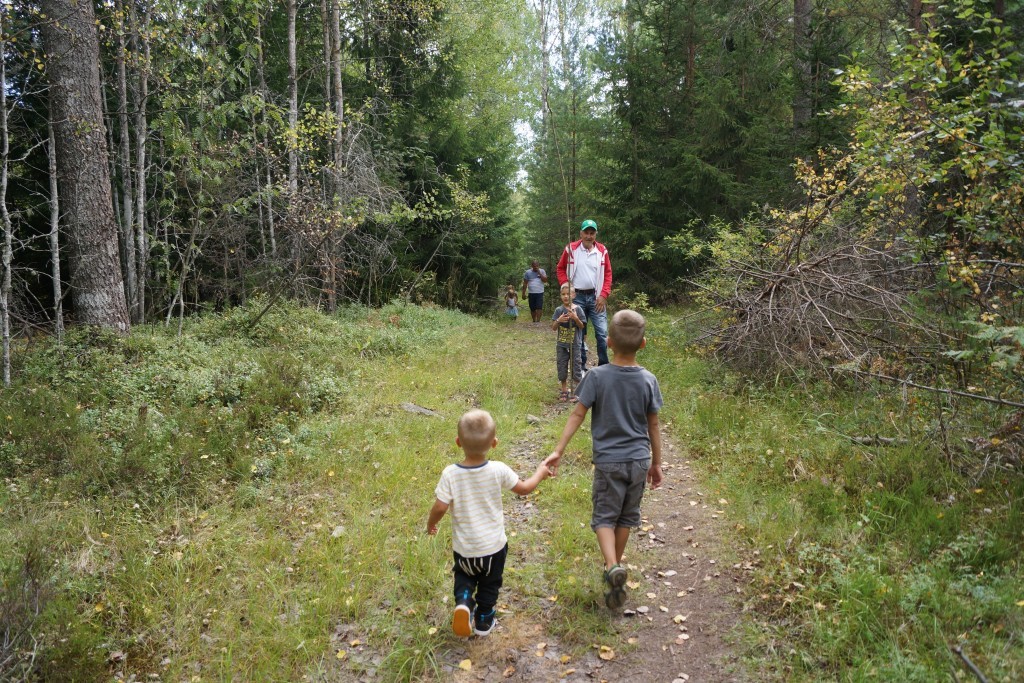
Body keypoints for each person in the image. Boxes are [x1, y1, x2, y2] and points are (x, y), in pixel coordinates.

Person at [542, 310, 663, 610]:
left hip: (609, 462)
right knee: (625, 518)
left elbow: (578, 413)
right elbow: (654, 426)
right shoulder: (648, 380)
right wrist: (656, 463)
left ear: (608, 343)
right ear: (643, 344)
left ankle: (611, 566)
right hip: (638, 461)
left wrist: (559, 449)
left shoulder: (596, 376)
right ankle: (615, 568)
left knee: (604, 518)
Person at [427, 409, 551, 637]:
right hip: (493, 548)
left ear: (458, 442)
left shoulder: (450, 474)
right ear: (494, 443)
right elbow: (524, 489)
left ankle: (463, 602)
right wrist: (540, 473)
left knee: (464, 577)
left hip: (465, 550)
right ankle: (484, 621)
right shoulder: (498, 470)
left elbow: (440, 507)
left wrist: (430, 524)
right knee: (489, 585)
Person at [556, 219, 612, 371]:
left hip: (596, 298)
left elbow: (608, 274)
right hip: (577, 298)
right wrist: (565, 286)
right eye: (586, 233)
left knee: (602, 333)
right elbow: (560, 269)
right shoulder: (571, 249)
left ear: (595, 234)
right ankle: (581, 367)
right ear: (581, 233)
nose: (589, 236)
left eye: (592, 233)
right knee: (578, 334)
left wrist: (604, 295)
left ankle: (604, 367)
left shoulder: (602, 251)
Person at [552, 283, 586, 403]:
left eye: (568, 294)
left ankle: (576, 390)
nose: (566, 297)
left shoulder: (578, 309)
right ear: (561, 296)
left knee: (576, 365)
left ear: (574, 295)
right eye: (563, 294)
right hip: (561, 344)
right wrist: (558, 320)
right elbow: (553, 328)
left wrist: (576, 318)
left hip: (575, 344)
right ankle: (564, 389)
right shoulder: (558, 310)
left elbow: (582, 326)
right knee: (561, 365)